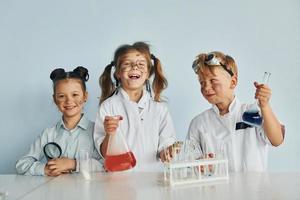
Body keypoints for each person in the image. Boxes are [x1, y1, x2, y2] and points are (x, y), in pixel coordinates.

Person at [187, 51, 285, 171]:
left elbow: (277, 140)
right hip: (216, 189)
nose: (206, 88)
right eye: (202, 83)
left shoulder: (252, 113)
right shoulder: (198, 123)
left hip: (253, 189)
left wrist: (265, 106)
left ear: (233, 82)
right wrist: (199, 164)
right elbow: (192, 161)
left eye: (213, 81)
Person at [94, 42, 176, 171]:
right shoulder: (108, 107)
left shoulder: (160, 109)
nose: (134, 68)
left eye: (141, 64)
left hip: (153, 180)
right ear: (117, 73)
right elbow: (105, 154)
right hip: (120, 183)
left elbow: (165, 146)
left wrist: (168, 152)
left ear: (148, 73)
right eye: (127, 64)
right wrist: (110, 134)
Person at [16, 66, 101, 176]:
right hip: (56, 192)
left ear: (85, 96)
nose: (69, 101)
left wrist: (73, 164)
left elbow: (104, 165)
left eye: (75, 94)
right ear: (55, 99)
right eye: (61, 96)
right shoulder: (48, 134)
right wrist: (45, 169)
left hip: (87, 191)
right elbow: (21, 165)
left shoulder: (96, 131)